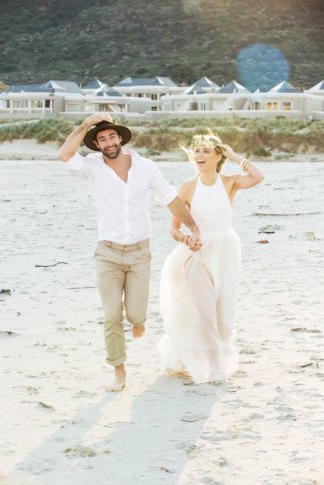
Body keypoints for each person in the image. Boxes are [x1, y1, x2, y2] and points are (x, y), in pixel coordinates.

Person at [59, 113, 201, 392]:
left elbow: (170, 199)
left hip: (139, 254)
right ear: (97, 145)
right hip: (108, 254)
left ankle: (137, 319)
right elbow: (65, 154)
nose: (108, 142)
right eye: (102, 139)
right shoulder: (92, 167)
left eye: (112, 136)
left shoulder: (145, 167)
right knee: (112, 315)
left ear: (121, 138)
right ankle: (119, 370)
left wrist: (193, 227)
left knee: (135, 315)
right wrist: (87, 123)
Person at [159, 131, 264, 384]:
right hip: (197, 255)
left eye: (207, 151)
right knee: (205, 314)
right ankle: (216, 367)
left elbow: (258, 176)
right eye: (197, 151)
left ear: (219, 155)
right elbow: (174, 229)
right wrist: (187, 239)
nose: (200, 155)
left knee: (224, 317)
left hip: (226, 252)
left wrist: (234, 155)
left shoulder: (229, 183)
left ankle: (216, 357)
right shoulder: (186, 188)